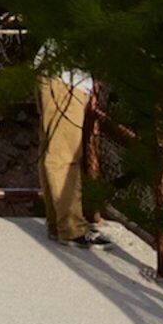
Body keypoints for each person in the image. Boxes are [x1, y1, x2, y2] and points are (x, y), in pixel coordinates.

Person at [36, 59, 107, 249]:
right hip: (67, 80)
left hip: (63, 77)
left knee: (54, 152)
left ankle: (58, 224)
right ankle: (70, 229)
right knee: (64, 156)